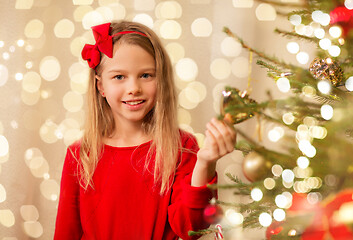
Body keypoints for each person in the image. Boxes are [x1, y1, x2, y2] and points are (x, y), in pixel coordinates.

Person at [54, 20, 236, 240]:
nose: (134, 88)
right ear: (100, 86)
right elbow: (66, 233)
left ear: (161, 80)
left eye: (146, 75)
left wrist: (205, 164)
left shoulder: (182, 146)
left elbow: (192, 228)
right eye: (119, 77)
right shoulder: (80, 154)